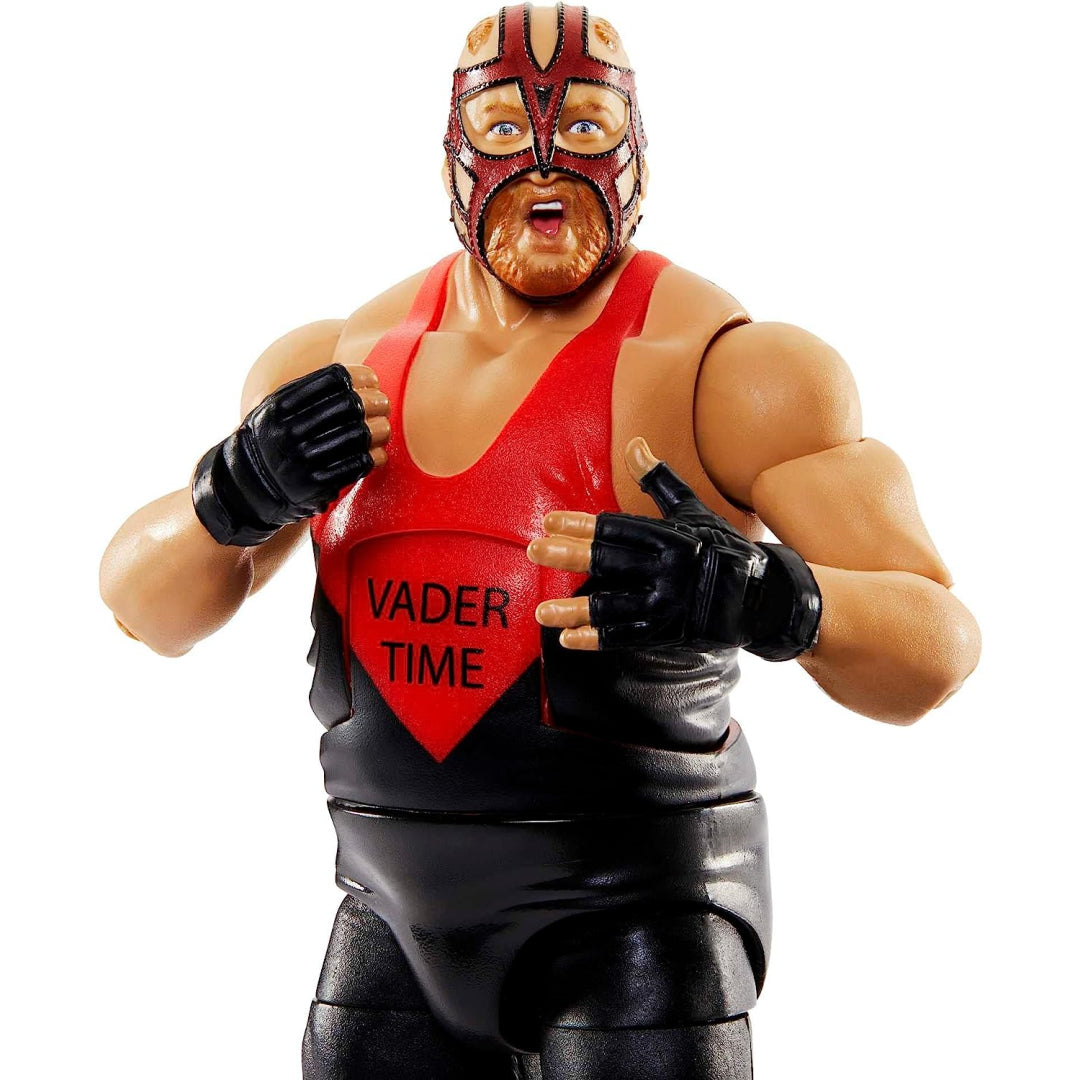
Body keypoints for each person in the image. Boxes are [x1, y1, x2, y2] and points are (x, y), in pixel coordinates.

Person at [99, 5, 981, 1078]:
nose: (551, 161)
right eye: (510, 129)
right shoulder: (337, 361)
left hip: (638, 920)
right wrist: (233, 492)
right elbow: (143, 612)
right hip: (394, 915)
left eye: (589, 124)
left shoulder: (731, 372)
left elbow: (938, 651)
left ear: (639, 148)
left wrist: (768, 598)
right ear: (452, 154)